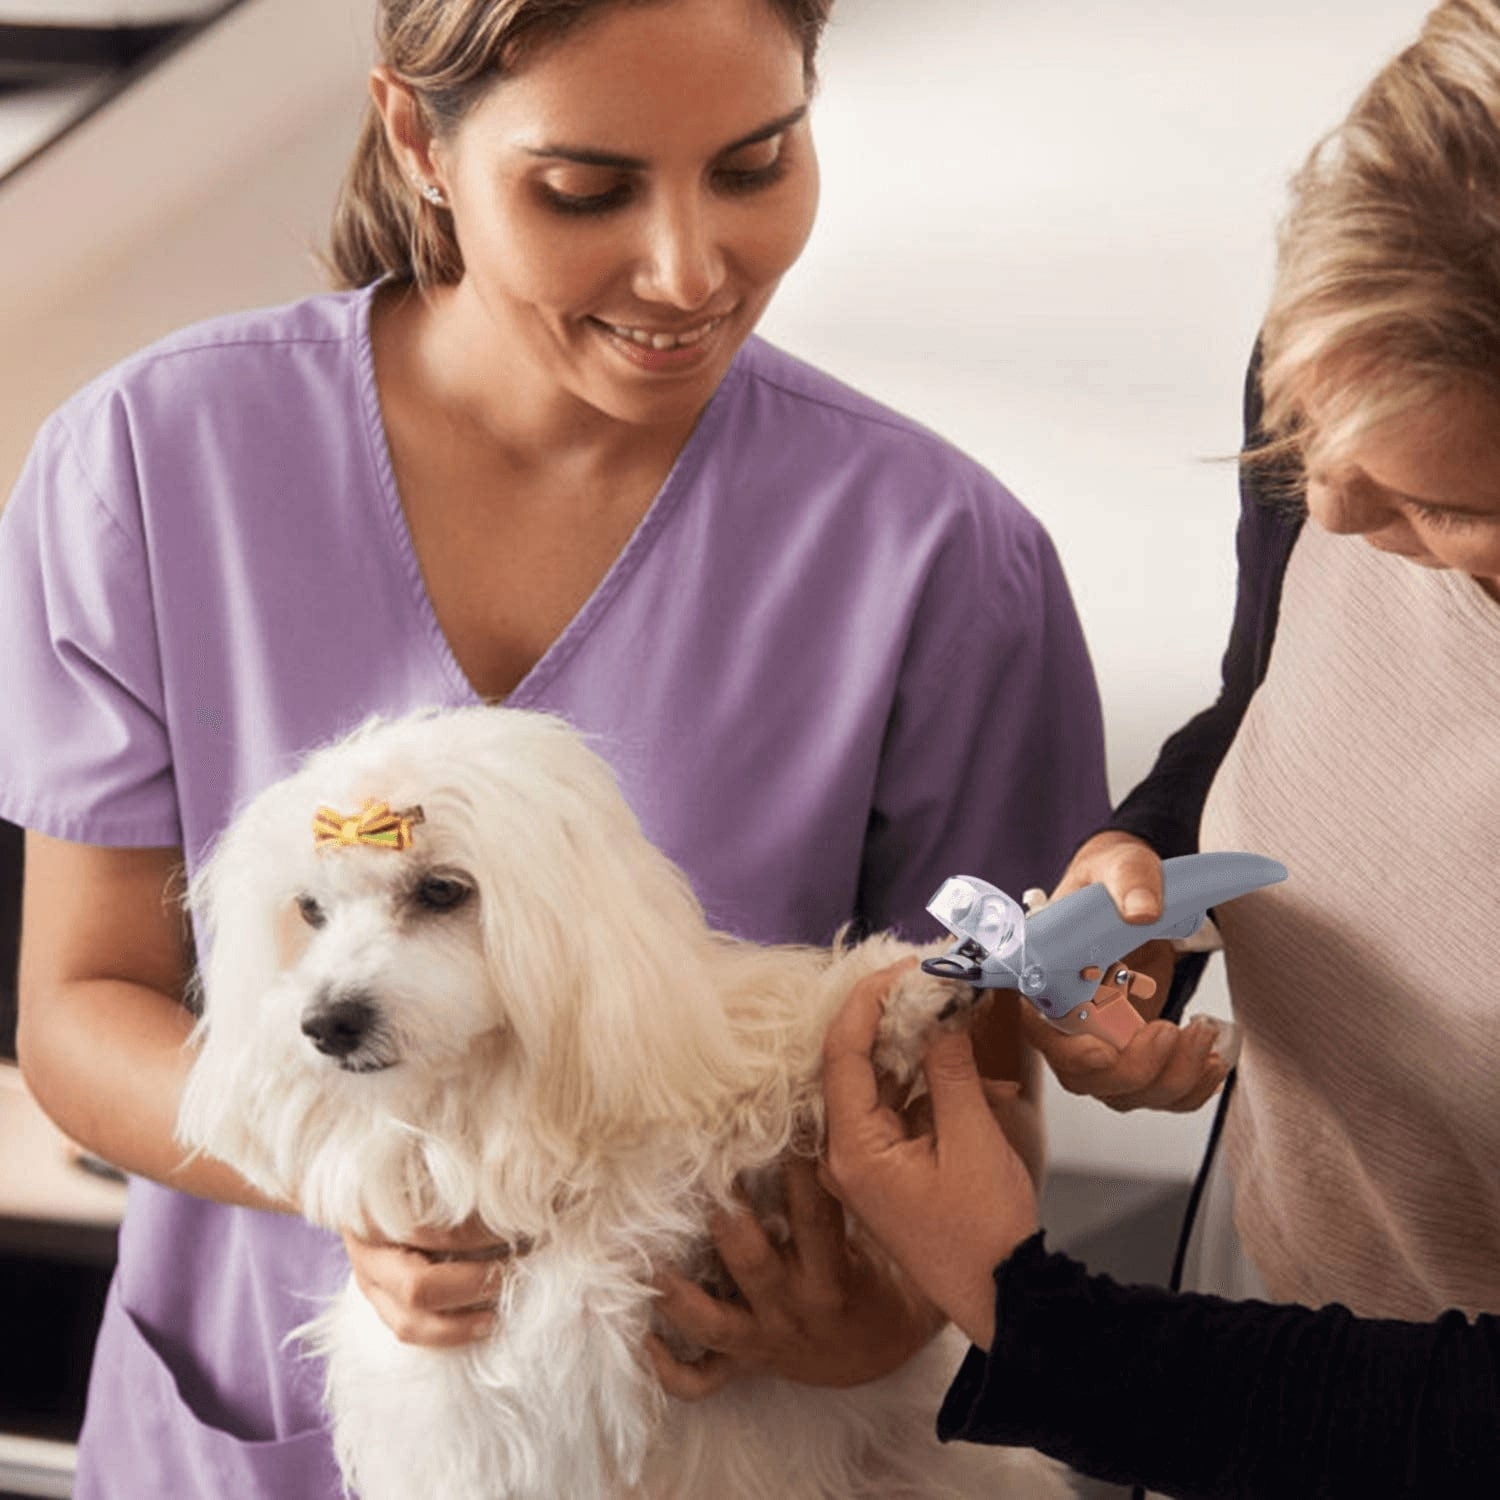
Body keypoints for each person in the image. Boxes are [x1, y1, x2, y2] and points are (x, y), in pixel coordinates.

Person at [0, 1, 1107, 1494]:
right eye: (586, 189)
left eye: (755, 162)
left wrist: (882, 1313)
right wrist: (364, 1186)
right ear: (418, 139)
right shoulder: (145, 465)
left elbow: (977, 1083)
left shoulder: (943, 557)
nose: (689, 268)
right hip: (252, 1423)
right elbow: (82, 1002)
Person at [1020, 0, 1500, 1326]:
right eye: (1301, 421)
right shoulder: (1353, 396)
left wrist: (1037, 1330)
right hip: (1259, 1283)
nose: (1330, 503)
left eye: (1445, 508)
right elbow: (1269, 702)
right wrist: (1144, 907)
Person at [821, 963, 1500, 1499]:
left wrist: (1026, 1314)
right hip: (1261, 1276)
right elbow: (1221, 786)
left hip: (1299, 1407)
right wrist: (1145, 851)